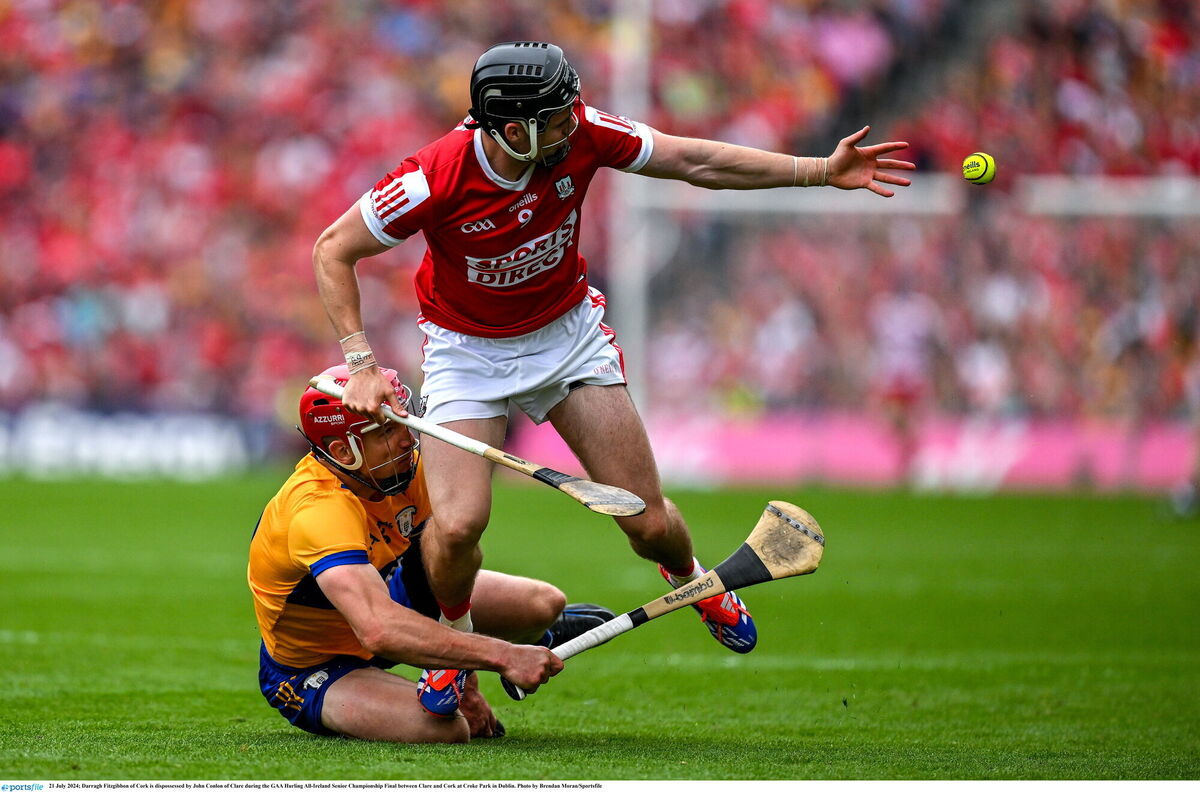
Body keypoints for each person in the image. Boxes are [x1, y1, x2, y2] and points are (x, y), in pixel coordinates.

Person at [312, 42, 915, 705]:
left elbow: (697, 160)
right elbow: (334, 248)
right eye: (559, 116)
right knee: (455, 527)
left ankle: (693, 579)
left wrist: (818, 171)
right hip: (467, 355)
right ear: (514, 128)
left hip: (567, 339)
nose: (576, 121)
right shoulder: (432, 177)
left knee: (649, 522)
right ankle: (453, 651)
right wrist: (361, 363)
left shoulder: (585, 133)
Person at [248, 364, 614, 742]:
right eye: (387, 431)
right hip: (318, 663)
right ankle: (517, 643)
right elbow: (378, 629)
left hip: (394, 596)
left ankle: (539, 634)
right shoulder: (318, 510)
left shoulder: (404, 469)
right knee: (448, 729)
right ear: (343, 451)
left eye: (404, 421)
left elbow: (446, 562)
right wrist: (502, 655)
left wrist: (464, 671)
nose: (408, 440)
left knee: (542, 603)